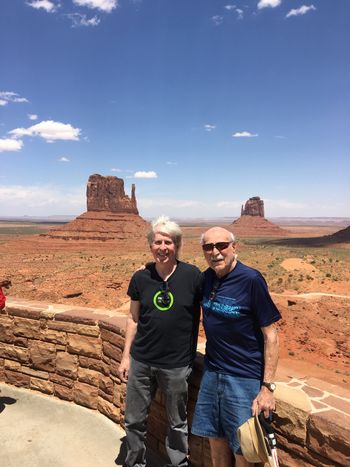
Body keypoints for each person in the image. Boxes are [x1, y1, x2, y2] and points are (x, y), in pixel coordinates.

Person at [191, 227, 281, 467]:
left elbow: (271, 335)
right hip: (212, 373)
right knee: (216, 442)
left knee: (243, 451)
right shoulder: (206, 278)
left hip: (243, 379)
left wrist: (267, 388)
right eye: (208, 247)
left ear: (234, 247)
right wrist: (147, 271)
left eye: (221, 245)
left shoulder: (251, 280)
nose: (215, 252)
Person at [118, 216, 202, 467]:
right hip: (141, 361)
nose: (162, 247)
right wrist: (126, 356)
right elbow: (133, 319)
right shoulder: (141, 278)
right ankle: (135, 463)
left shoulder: (193, 276)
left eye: (168, 242)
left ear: (176, 245)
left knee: (177, 422)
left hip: (176, 364)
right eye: (157, 242)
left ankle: (177, 464)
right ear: (150, 246)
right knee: (133, 420)